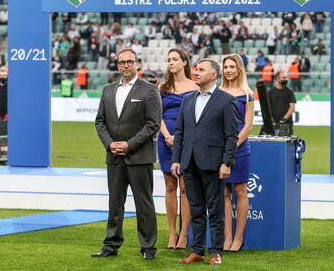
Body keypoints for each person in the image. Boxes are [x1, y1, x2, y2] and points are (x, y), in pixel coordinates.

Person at [93, 48, 161, 260]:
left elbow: (153, 124)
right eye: (122, 62)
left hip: (139, 157)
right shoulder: (108, 90)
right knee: (114, 203)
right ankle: (111, 245)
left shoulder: (149, 90)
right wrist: (110, 144)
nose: (125, 65)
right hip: (113, 156)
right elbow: (100, 122)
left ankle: (148, 247)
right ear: (117, 65)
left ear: (137, 63)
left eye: (129, 62)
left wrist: (129, 145)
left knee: (144, 204)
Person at [171, 59, 238, 266]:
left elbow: (231, 136)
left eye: (201, 70)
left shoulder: (226, 100)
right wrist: (176, 159)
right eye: (196, 69)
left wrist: (227, 162)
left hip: (213, 163)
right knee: (196, 209)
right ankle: (197, 250)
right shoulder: (188, 100)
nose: (196, 72)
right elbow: (180, 132)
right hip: (189, 163)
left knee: (215, 210)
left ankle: (216, 251)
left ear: (213, 75)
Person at [158, 48, 198, 250]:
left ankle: (184, 234)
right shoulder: (162, 86)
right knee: (170, 186)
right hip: (165, 140)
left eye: (175, 59)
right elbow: (157, 116)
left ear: (184, 62)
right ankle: (172, 233)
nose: (171, 63)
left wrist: (180, 138)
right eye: (169, 60)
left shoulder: (195, 86)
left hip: (187, 141)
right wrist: (167, 136)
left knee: (185, 188)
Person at [220, 55, 254, 253]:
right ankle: (227, 237)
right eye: (226, 67)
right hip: (220, 148)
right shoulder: (218, 92)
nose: (228, 70)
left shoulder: (247, 94)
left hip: (239, 148)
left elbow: (248, 125)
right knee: (224, 192)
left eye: (232, 66)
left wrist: (232, 146)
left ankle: (238, 238)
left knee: (240, 190)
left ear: (239, 69)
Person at [268, 71, 297, 136]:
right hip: (273, 124)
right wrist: (271, 119)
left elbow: (292, 107)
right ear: (277, 79)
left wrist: (284, 118)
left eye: (286, 78)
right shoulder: (270, 92)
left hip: (286, 124)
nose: (285, 79)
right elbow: (267, 108)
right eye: (283, 78)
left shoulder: (289, 92)